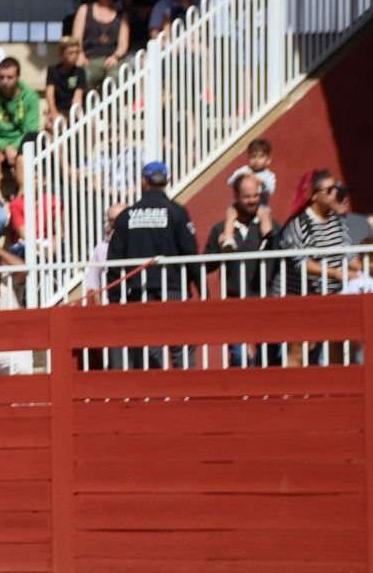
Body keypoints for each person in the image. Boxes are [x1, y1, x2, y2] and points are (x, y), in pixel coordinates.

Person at [105, 161, 198, 368]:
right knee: (181, 346)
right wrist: (202, 289)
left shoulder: (126, 217)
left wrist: (114, 298)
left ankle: (149, 397)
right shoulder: (177, 212)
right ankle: (188, 396)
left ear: (143, 181)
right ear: (167, 181)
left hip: (139, 291)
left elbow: (114, 261)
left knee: (148, 349)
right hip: (175, 290)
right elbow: (190, 253)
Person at [207, 174, 286, 362]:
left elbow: (283, 258)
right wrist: (220, 249)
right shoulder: (221, 229)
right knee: (240, 357)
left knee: (270, 357)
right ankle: (242, 392)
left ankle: (267, 392)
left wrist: (269, 232)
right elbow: (208, 265)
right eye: (247, 197)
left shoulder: (272, 226)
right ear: (236, 196)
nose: (252, 201)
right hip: (235, 302)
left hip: (267, 300)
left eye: (255, 196)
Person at [0, 59, 41, 173]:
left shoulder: (31, 97)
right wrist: (5, 147)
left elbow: (30, 130)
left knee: (34, 141)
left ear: (18, 76)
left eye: (10, 77)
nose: (5, 81)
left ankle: (23, 189)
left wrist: (14, 148)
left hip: (23, 144)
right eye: (1, 77)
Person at [72, 0, 129, 88]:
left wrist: (116, 57)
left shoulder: (122, 15)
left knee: (116, 78)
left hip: (112, 59)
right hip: (89, 58)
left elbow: (123, 45)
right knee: (84, 76)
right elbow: (76, 39)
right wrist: (80, 55)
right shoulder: (84, 9)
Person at [43, 37, 88, 131]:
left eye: (77, 52)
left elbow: (78, 97)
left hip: (74, 110)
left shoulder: (80, 72)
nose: (75, 55)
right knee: (54, 125)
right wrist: (54, 112)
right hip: (59, 109)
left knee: (88, 124)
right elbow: (49, 94)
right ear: (61, 53)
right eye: (70, 53)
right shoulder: (53, 71)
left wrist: (77, 118)